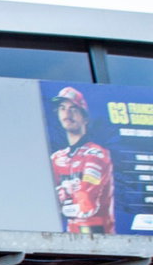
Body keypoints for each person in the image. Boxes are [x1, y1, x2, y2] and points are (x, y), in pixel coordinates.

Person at [48, 86, 115, 234]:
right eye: (62, 108)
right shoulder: (57, 157)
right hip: (70, 238)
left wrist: (64, 194)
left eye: (74, 109)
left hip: (99, 238)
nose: (67, 113)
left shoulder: (96, 154)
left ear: (85, 118)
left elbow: (87, 205)